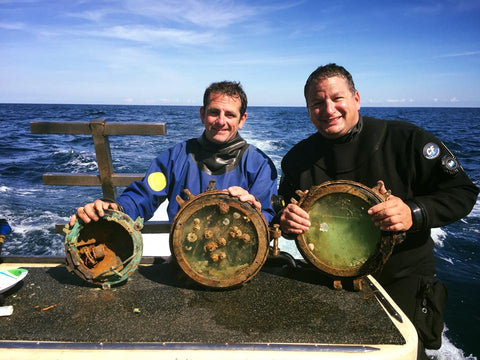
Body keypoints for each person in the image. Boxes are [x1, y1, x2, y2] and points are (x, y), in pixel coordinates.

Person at [278, 63, 478, 358]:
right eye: (317, 103)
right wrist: (286, 220)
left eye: (337, 98)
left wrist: (414, 212)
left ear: (356, 98)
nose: (328, 109)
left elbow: (463, 191)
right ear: (308, 109)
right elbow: (283, 209)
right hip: (326, 281)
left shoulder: (406, 141)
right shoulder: (297, 160)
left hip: (402, 280)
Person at [70, 81, 277, 227]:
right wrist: (114, 209)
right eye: (214, 112)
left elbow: (268, 214)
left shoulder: (260, 165)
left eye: (230, 114)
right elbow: (144, 196)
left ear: (242, 119)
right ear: (202, 114)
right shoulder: (175, 158)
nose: (221, 121)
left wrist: (255, 211)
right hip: (184, 261)